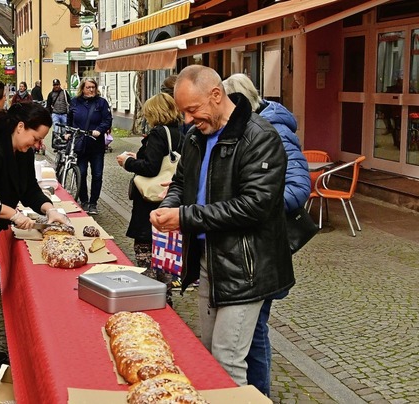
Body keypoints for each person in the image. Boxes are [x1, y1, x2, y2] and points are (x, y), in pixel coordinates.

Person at [150, 65, 295, 387]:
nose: (187, 119)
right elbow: (181, 181)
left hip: (246, 266)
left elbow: (255, 206)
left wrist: (185, 217)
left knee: (227, 359)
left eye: (192, 110)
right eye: (183, 111)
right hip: (208, 259)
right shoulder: (194, 136)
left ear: (216, 96)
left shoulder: (260, 137)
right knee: (210, 353)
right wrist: (169, 205)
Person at [222, 73, 310, 396]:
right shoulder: (245, 129)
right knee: (251, 329)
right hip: (247, 247)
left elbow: (299, 187)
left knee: (256, 329)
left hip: (266, 246)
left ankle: (259, 394)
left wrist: (254, 206)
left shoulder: (273, 132)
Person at [0, 102, 69, 378]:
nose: (37, 145)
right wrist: (13, 216)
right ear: (20, 127)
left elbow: (28, 188)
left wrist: (50, 209)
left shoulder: (21, 150)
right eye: (36, 138)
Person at [116, 93, 181, 289]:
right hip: (168, 197)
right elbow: (161, 161)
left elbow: (151, 168)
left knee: (146, 250)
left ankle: (152, 293)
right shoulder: (178, 132)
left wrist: (128, 162)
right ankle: (165, 292)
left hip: (150, 202)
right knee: (164, 253)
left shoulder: (158, 133)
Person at [68, 77, 112, 215]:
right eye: (88, 87)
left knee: (97, 174)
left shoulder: (101, 103)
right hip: (81, 144)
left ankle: (93, 203)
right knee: (81, 173)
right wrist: (69, 132)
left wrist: (100, 129)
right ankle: (84, 201)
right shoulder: (75, 102)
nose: (91, 90)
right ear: (82, 88)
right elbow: (70, 119)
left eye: (93, 87)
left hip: (96, 144)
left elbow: (107, 120)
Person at [46, 78, 71, 149]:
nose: (56, 86)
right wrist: (49, 114)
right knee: (56, 129)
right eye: (54, 85)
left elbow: (69, 102)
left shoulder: (65, 93)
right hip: (55, 114)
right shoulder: (51, 94)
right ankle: (55, 143)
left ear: (59, 85)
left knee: (64, 130)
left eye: (57, 85)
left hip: (64, 114)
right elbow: (48, 105)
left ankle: (63, 144)